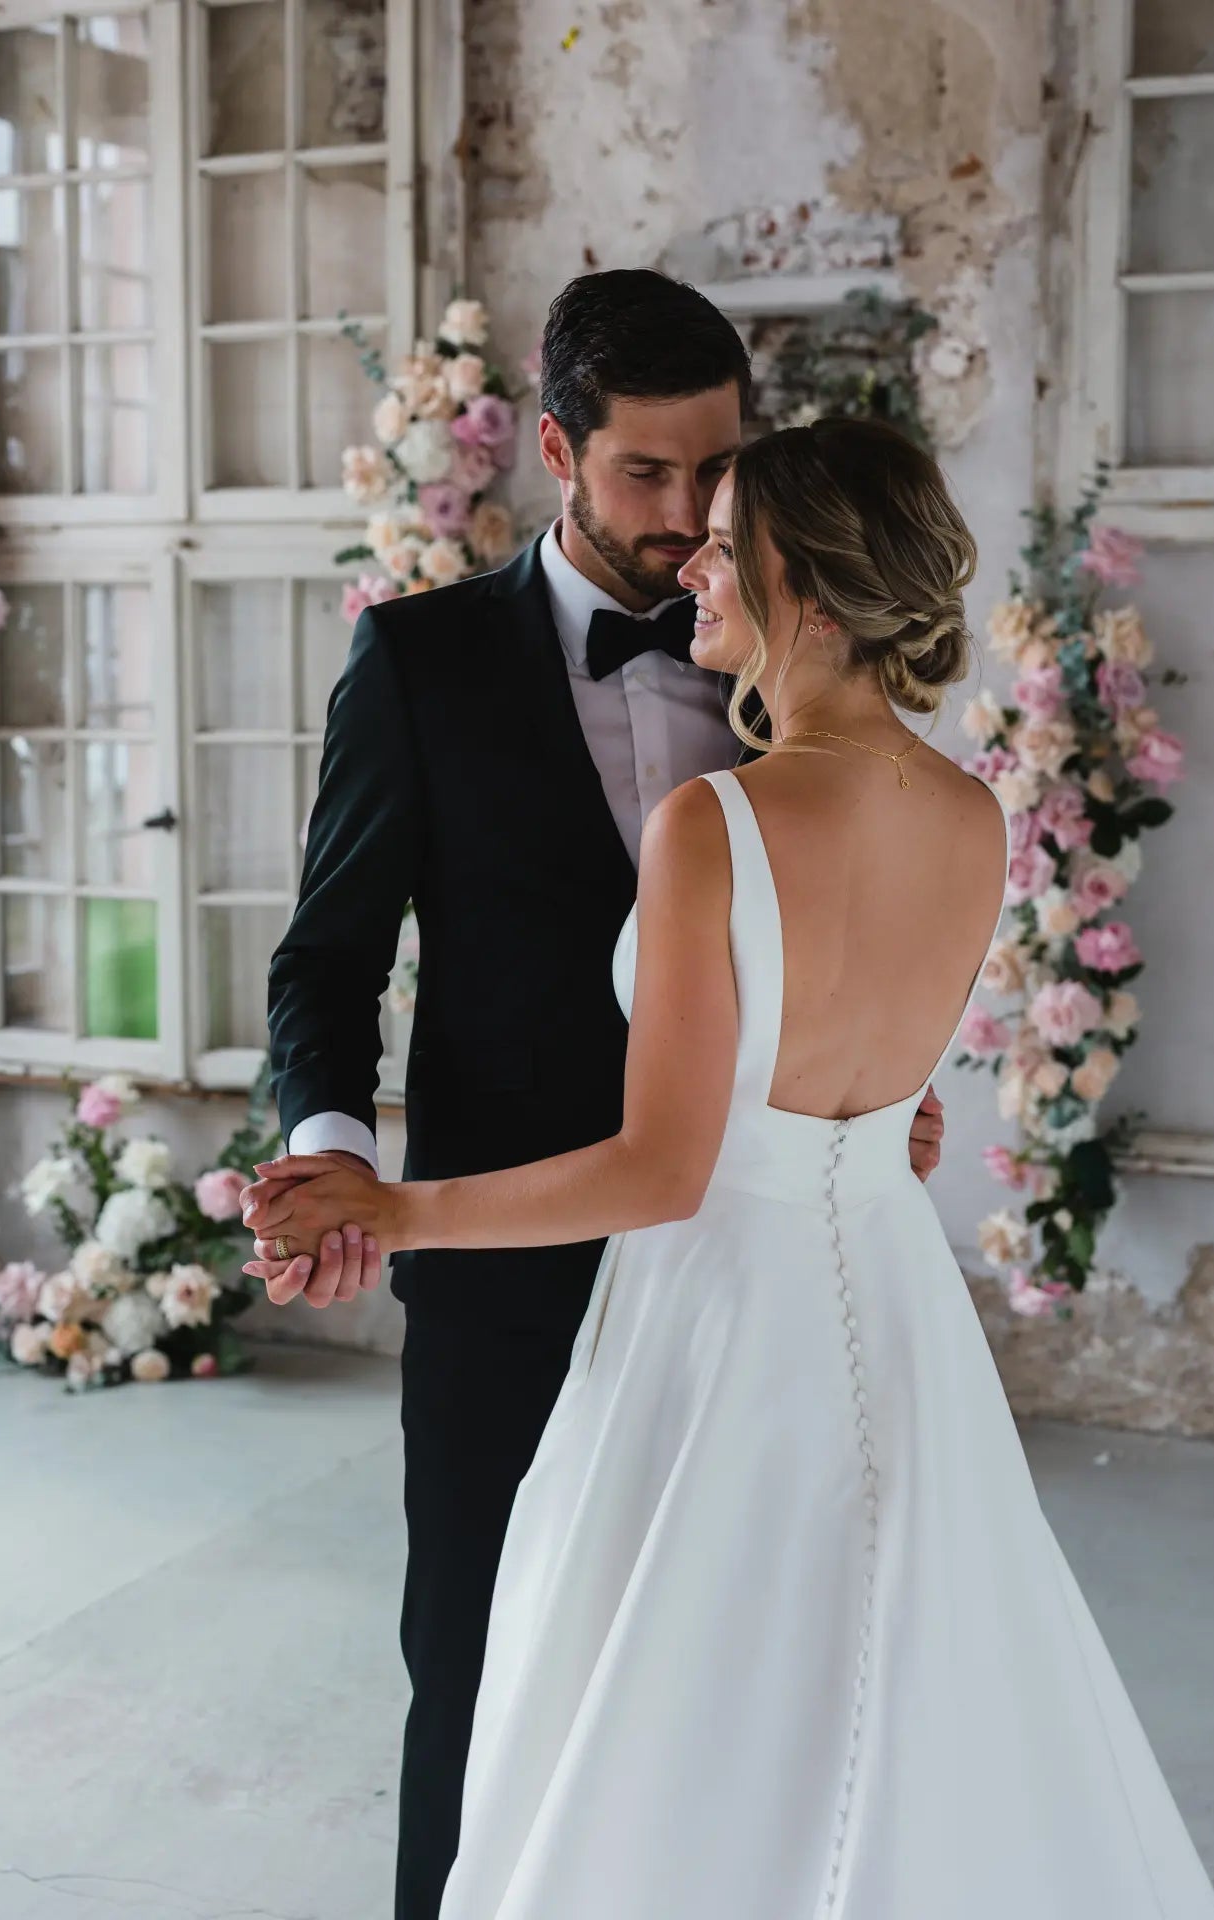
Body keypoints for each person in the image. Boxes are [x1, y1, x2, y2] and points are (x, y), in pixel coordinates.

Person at [244, 415, 1214, 1918]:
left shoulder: (715, 823)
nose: (693, 567)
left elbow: (664, 1171)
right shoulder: (975, 816)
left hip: (715, 1325)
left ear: (811, 596)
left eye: (725, 547)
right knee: (904, 1684)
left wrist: (393, 1209)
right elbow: (873, 1095)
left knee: (678, 1708)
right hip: (893, 1304)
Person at [251, 272, 948, 1920]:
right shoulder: (417, 663)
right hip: (504, 1275)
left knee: (738, 1695)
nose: (693, 518)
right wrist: (336, 1165)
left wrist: (861, 1103)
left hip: (741, 1293)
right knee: (479, 1673)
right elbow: (325, 961)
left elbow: (839, 929)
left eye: (718, 471)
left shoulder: (781, 655)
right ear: (556, 451)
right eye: (648, 472)